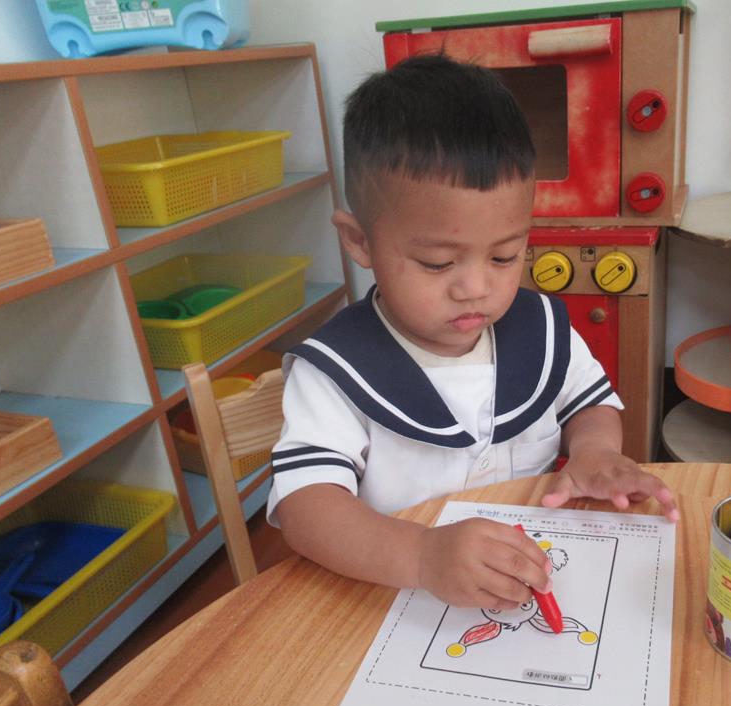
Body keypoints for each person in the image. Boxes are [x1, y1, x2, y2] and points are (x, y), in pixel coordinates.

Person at [267, 54, 678, 611]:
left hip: (526, 582)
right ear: (360, 241)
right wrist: (422, 556)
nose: (476, 288)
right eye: (438, 263)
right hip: (391, 597)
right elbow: (306, 508)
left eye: (505, 256)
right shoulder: (335, 370)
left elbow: (589, 403)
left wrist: (594, 451)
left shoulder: (540, 327)